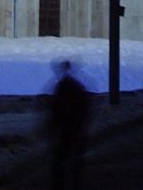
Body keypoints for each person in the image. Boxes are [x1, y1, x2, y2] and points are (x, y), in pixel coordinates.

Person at [47, 60, 89, 189]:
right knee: (75, 159)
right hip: (75, 127)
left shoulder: (60, 86)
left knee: (61, 158)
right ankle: (75, 183)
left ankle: (60, 184)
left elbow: (56, 108)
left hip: (64, 128)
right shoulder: (78, 86)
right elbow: (84, 107)